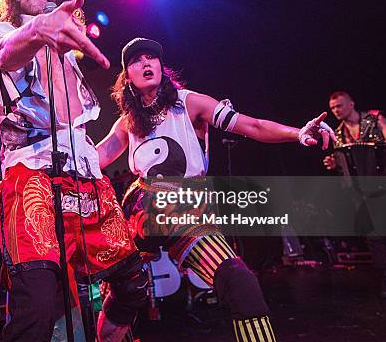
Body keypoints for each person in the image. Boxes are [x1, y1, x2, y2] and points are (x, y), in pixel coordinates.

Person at [97, 38, 337, 341]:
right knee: (124, 299)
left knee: (239, 283)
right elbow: (98, 155)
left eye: (151, 58)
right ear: (127, 76)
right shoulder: (127, 122)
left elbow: (253, 126)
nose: (146, 63)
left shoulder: (189, 103)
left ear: (161, 66)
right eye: (136, 61)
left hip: (184, 206)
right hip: (140, 210)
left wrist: (297, 133)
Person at [0, 0, 147, 342]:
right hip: (32, 180)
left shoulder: (68, 58)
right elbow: (1, 55)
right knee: (36, 306)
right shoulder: (2, 32)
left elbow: (77, 135)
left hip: (87, 183)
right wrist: (38, 28)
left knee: (133, 283)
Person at [323, 90, 386, 298]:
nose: (336, 110)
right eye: (333, 107)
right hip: (360, 192)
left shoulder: (374, 118)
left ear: (351, 103)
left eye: (340, 105)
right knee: (373, 236)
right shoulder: (337, 134)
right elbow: (341, 165)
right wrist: (333, 163)